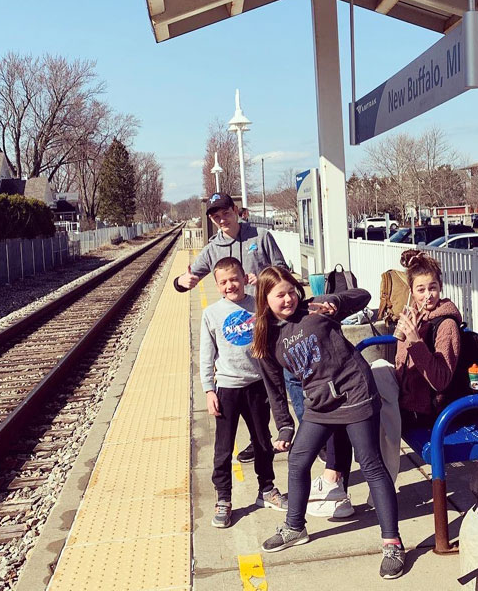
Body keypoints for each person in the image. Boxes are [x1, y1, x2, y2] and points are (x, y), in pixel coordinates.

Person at [252, 266, 405, 580]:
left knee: (370, 463)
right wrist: (284, 425)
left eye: (291, 290)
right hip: (320, 404)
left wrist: (336, 299)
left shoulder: (317, 308)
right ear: (265, 300)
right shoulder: (267, 337)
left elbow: (363, 297)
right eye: (279, 295)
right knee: (298, 460)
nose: (288, 298)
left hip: (355, 392)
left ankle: (392, 541)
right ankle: (295, 526)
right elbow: (275, 389)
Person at [174, 191, 291, 463]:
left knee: (281, 379)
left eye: (225, 213)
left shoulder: (260, 238)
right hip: (238, 328)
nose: (222, 220)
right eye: (216, 217)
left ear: (235, 210)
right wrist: (182, 281)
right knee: (254, 388)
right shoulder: (213, 248)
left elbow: (283, 270)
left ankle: (296, 432)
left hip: (267, 319)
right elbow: (186, 279)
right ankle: (258, 441)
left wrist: (261, 278)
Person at [199, 257, 288, 528]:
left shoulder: (258, 304)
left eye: (234, 279)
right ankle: (223, 498)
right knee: (223, 447)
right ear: (216, 285)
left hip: (257, 385)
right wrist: (208, 390)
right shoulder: (211, 313)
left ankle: (267, 489)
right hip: (227, 388)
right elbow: (206, 354)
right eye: (223, 282)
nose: (230, 285)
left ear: (244, 277)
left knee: (262, 441)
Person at [371, 249, 463, 485]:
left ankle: (382, 483)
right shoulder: (419, 316)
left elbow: (441, 379)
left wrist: (415, 341)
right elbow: (402, 365)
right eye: (421, 290)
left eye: (432, 288)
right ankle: (371, 478)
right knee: (370, 376)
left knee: (377, 412)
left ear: (440, 287)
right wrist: (407, 333)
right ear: (411, 292)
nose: (428, 296)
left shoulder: (447, 325)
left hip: (428, 409)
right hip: (409, 397)